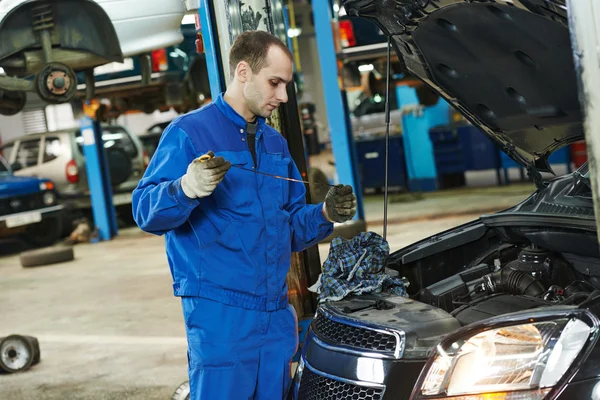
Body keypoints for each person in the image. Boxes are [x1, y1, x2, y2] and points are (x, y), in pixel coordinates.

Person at [132, 30, 357, 400]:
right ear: (242, 72)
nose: (282, 96)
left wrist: (324, 213)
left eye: (285, 85)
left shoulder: (275, 144)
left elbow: (289, 228)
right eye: (275, 83)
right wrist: (184, 189)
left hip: (274, 313)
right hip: (221, 315)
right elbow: (144, 212)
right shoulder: (189, 133)